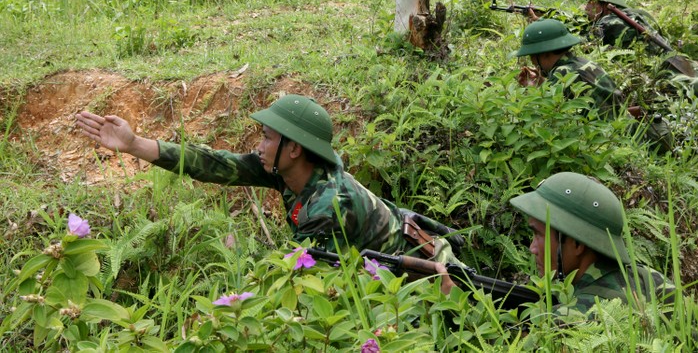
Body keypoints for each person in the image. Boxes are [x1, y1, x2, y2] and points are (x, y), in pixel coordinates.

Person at [75, 94, 464, 261]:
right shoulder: (292, 171)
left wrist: (238, 256)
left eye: (267, 137)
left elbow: (301, 273)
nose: (258, 146)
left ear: (294, 149)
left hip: (423, 273)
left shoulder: (328, 205)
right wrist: (133, 143)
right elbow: (214, 164)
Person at [437, 172, 676, 316]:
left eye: (539, 235)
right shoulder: (652, 280)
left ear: (577, 244)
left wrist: (457, 308)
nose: (532, 248)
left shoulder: (572, 319)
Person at [515, 18, 624, 116]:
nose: (532, 61)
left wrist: (531, 90)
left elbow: (548, 113)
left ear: (543, 53)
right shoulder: (584, 62)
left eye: (531, 55)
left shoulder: (562, 72)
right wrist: (542, 84)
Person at [578, 0, 666, 55]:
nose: (586, 7)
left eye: (591, 2)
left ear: (605, 4)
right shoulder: (632, 14)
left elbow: (584, 46)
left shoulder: (607, 22)